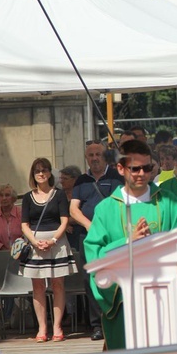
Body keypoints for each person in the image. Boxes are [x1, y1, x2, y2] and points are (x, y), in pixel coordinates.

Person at [84, 140, 177, 354]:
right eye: (135, 169)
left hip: (166, 303)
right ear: (120, 168)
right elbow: (93, 256)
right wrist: (127, 241)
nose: (142, 174)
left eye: (147, 168)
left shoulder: (169, 203)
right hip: (122, 306)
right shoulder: (106, 209)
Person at [70, 140, 124, 342]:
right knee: (91, 280)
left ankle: (116, 320)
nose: (94, 158)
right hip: (89, 238)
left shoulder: (117, 177)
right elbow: (73, 209)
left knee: (114, 277)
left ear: (105, 157)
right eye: (90, 155)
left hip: (113, 237)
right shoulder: (81, 181)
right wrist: (88, 225)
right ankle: (97, 325)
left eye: (98, 154)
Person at [20, 158, 77, 343]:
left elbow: (65, 220)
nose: (41, 173)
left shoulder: (59, 194)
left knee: (58, 285)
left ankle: (57, 327)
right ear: (33, 174)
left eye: (44, 170)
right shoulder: (28, 197)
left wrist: (52, 240)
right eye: (37, 171)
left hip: (57, 242)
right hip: (36, 243)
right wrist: (35, 242)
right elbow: (24, 225)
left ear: (50, 173)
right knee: (37, 287)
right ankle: (42, 328)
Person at [0, 184, 21, 251]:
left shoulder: (21, 213)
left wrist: (16, 250)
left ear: (13, 198)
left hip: (21, 251)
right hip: (2, 253)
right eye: (1, 195)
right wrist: (6, 250)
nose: (4, 198)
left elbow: (26, 236)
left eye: (7, 195)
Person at [59, 165, 82, 249]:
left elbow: (85, 215)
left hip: (80, 236)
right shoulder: (59, 195)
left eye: (65, 179)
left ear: (75, 179)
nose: (61, 181)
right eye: (61, 178)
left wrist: (65, 221)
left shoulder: (82, 195)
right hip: (62, 239)